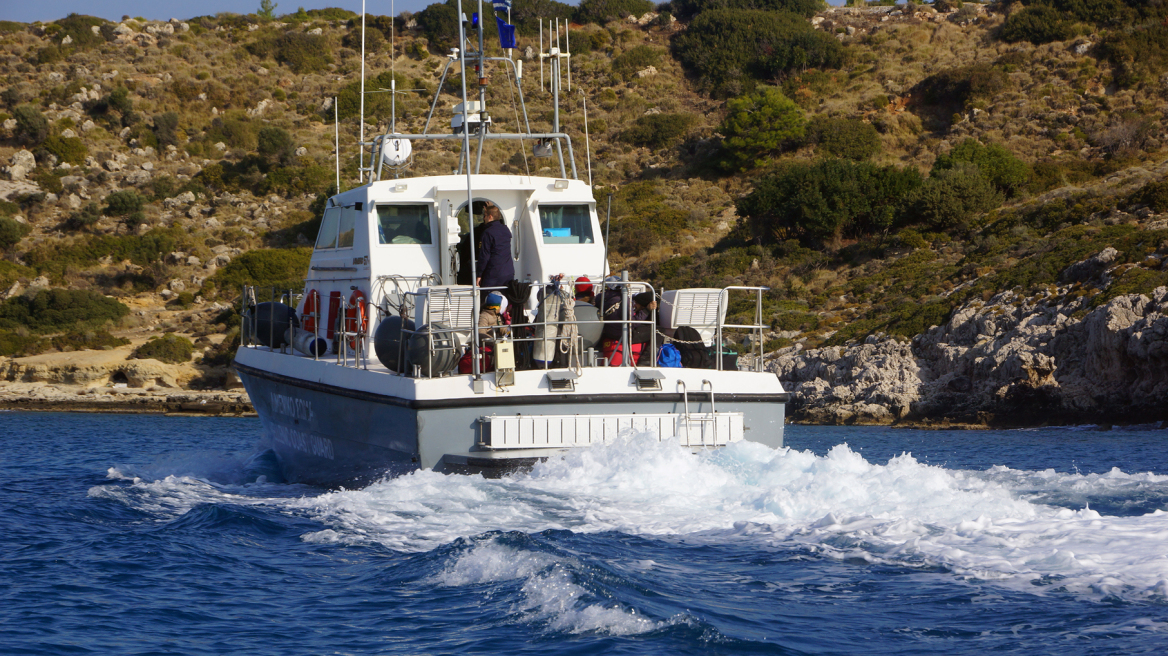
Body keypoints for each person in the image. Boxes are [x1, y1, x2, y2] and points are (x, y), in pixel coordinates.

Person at [475, 202, 514, 292]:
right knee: (504, 300)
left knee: (489, 301)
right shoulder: (505, 229)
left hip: (493, 274)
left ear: (490, 216)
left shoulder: (487, 233)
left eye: (485, 216)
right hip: (508, 273)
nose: (483, 218)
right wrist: (492, 209)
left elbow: (484, 256)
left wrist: (479, 275)